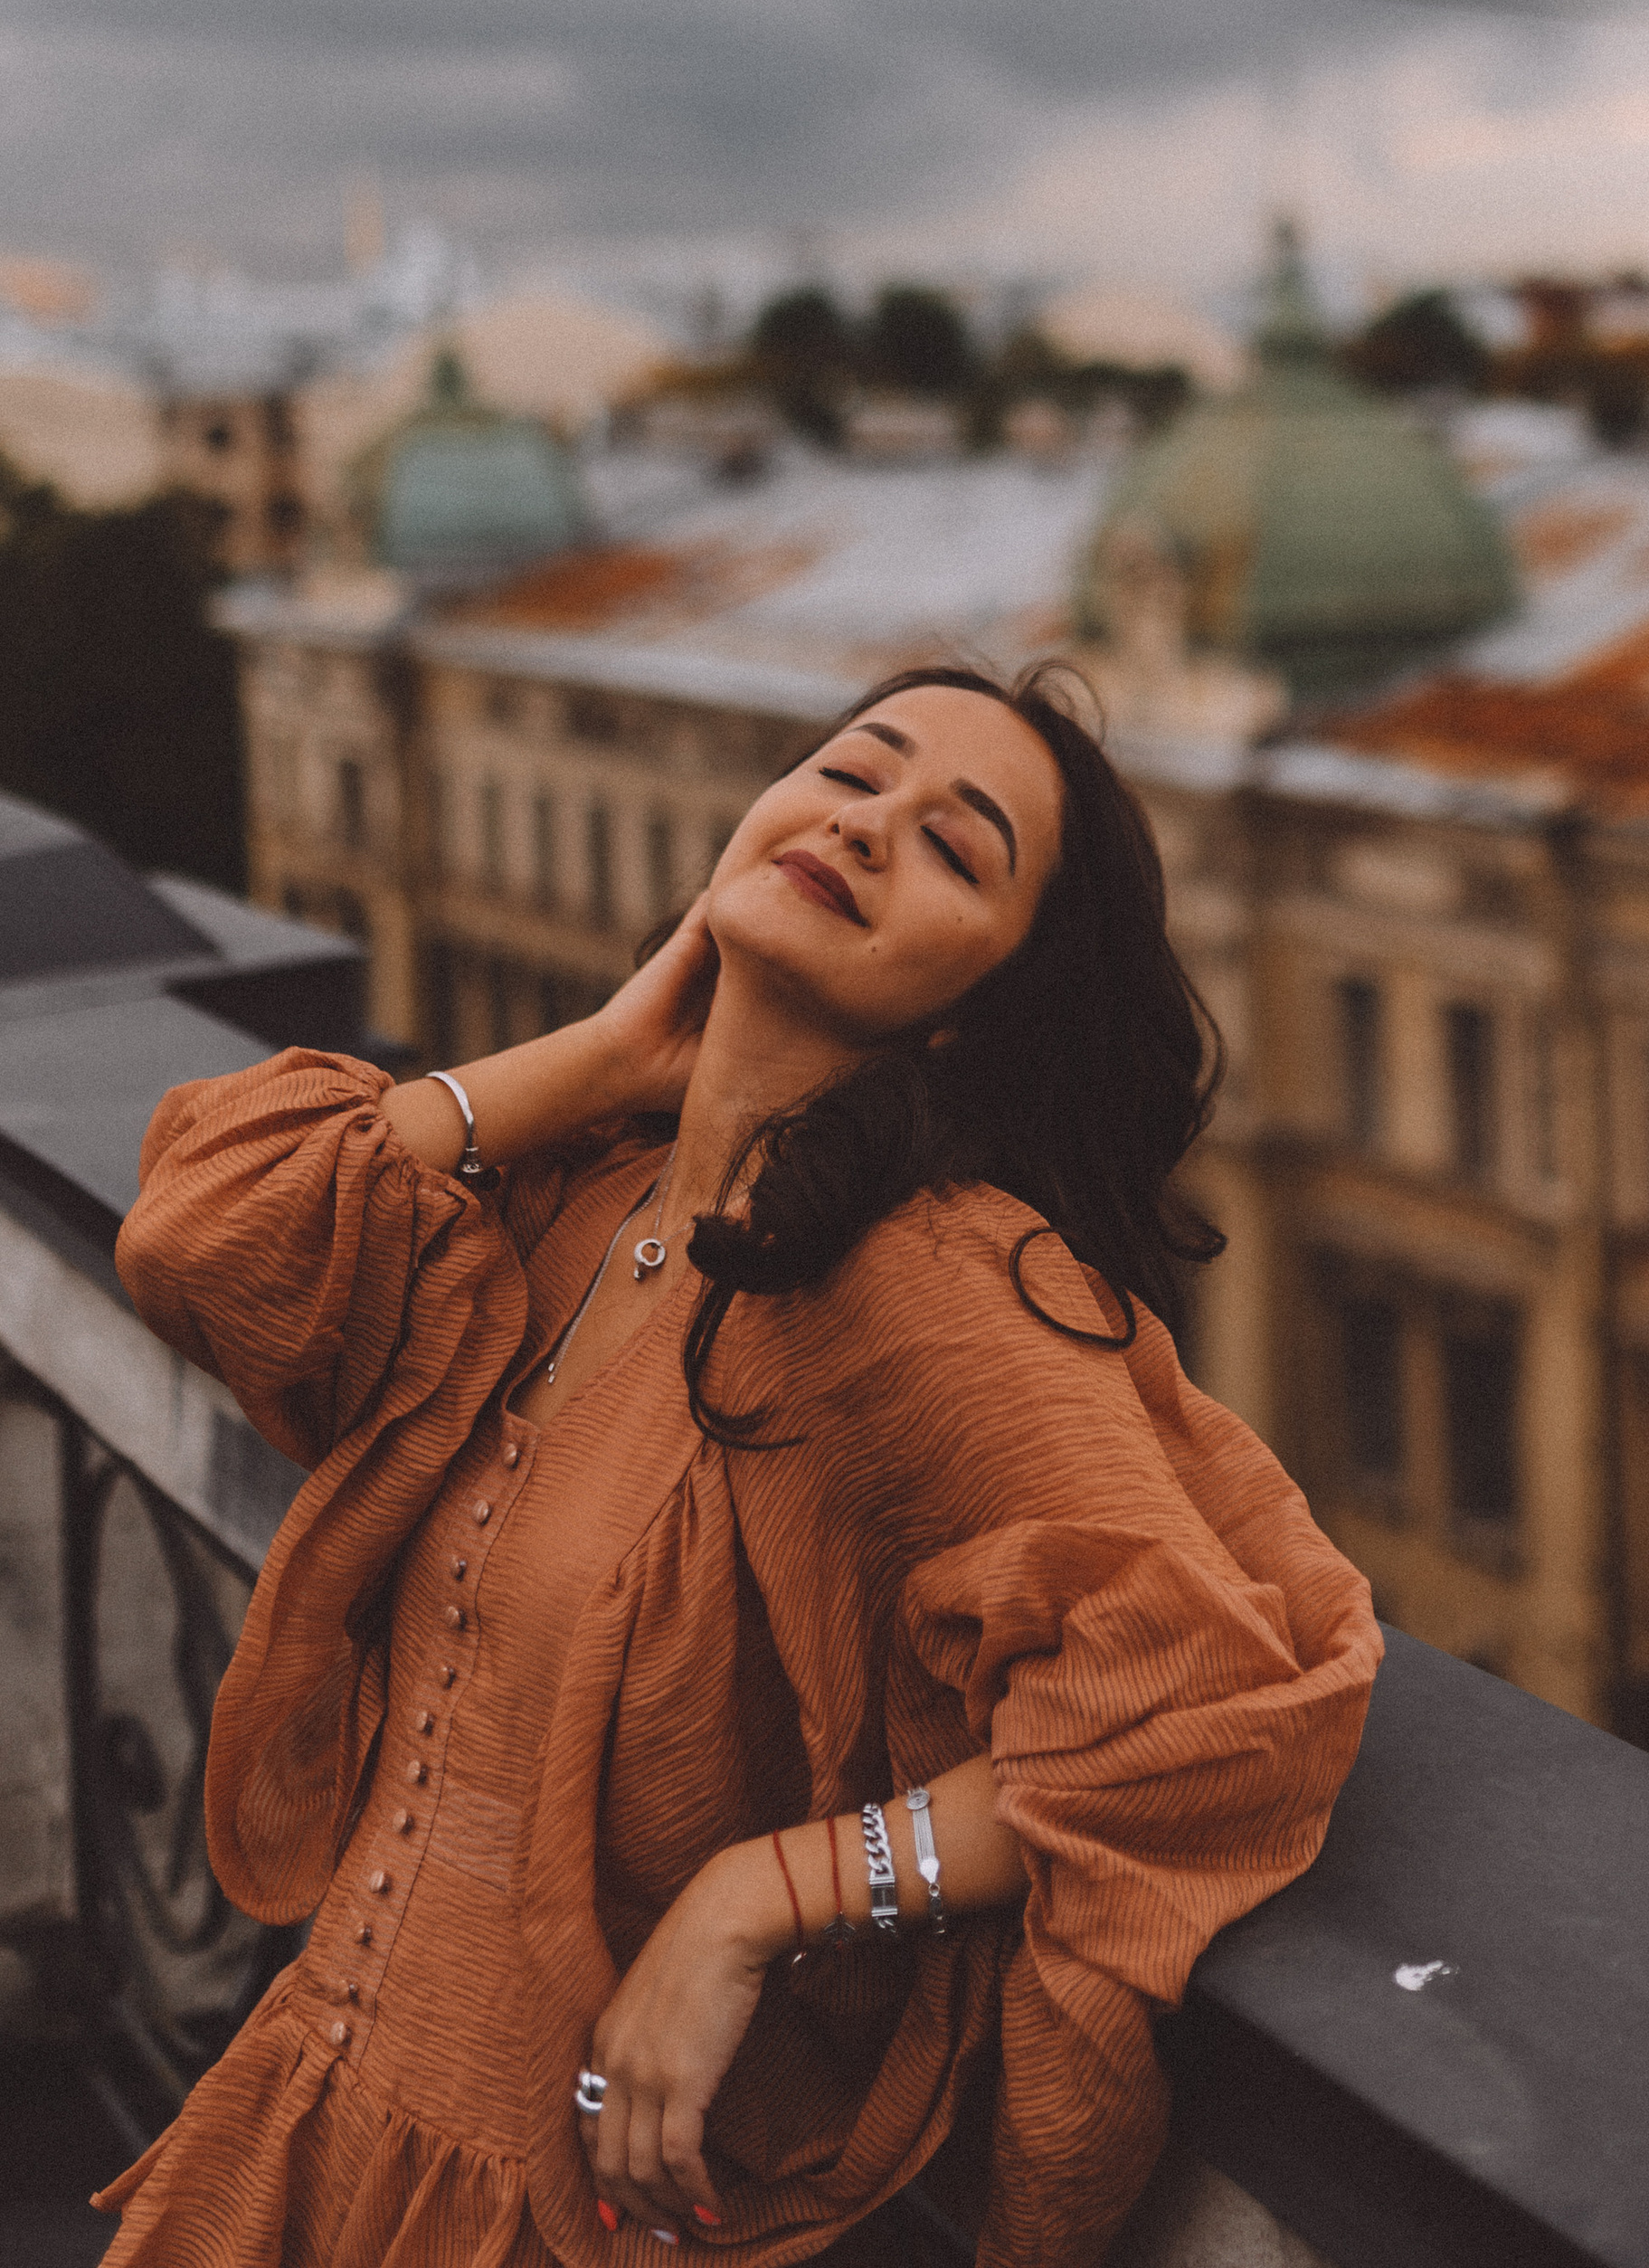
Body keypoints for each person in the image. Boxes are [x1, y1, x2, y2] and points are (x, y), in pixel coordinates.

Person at [95, 663, 1381, 2268]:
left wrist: (764, 1896)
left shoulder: (923, 1290)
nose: (869, 827)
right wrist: (610, 1058)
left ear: (972, 1000)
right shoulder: (581, 1198)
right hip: (301, 2156)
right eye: (854, 773)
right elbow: (204, 1232)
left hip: (556, 2224)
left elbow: (1206, 1720)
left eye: (956, 847)